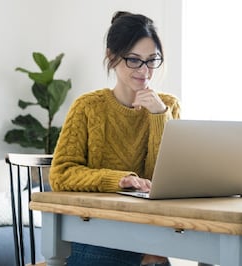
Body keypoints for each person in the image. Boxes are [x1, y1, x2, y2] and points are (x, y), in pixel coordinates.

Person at [49, 11, 180, 266]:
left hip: (149, 232)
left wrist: (158, 116)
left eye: (152, 60)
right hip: (91, 233)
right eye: (134, 60)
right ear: (112, 56)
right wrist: (118, 180)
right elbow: (61, 174)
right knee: (150, 260)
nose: (145, 71)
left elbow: (164, 181)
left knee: (154, 257)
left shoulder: (168, 107)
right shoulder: (88, 107)